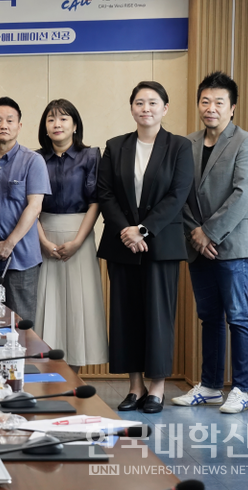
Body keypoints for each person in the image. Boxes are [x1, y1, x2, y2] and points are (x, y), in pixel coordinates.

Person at [98, 81, 193, 414]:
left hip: (161, 244)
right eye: (139, 102)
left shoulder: (179, 147)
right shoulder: (115, 146)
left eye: (153, 102)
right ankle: (135, 387)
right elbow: (105, 193)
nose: (146, 108)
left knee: (157, 316)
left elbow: (177, 195)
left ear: (165, 108)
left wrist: (143, 229)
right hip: (122, 243)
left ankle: (156, 388)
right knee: (126, 316)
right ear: (132, 108)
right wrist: (126, 230)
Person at [172, 72, 248, 414]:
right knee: (208, 317)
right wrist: (195, 234)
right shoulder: (188, 143)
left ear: (232, 108)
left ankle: (241, 389)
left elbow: (243, 194)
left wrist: (208, 232)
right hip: (197, 245)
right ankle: (210, 385)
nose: (211, 108)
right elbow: (178, 193)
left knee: (237, 317)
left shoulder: (246, 142)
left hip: (232, 246)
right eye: (205, 101)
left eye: (219, 102)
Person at [34, 99, 108, 372]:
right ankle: (46, 374)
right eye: (51, 119)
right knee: (46, 305)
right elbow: (30, 205)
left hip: (81, 236)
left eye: (64, 119)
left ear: (75, 125)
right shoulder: (36, 158)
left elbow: (96, 201)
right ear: (45, 126)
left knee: (78, 307)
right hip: (43, 236)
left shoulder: (91, 156)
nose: (57, 124)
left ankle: (74, 377)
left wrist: (77, 241)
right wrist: (42, 241)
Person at [0, 97, 50, 322]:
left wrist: (8, 244)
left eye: (10, 120)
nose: (4, 125)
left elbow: (35, 207)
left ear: (19, 126)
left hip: (21, 259)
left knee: (21, 327)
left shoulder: (33, 161)